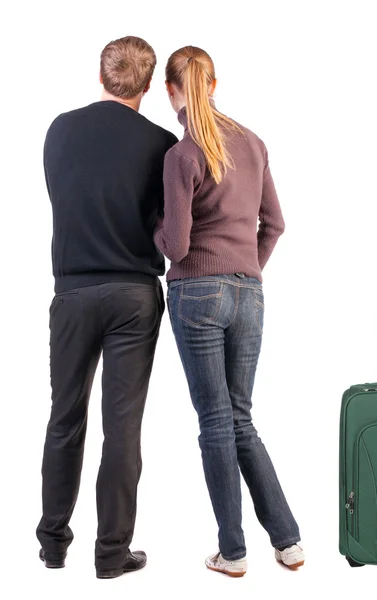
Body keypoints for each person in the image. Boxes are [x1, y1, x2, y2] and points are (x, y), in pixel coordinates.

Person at [154, 46, 304, 577]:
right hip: (250, 294)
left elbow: (174, 245)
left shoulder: (183, 154)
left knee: (217, 420)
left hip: (197, 292)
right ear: (213, 84)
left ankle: (233, 551)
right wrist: (247, 271)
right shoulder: (254, 142)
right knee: (241, 418)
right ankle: (287, 541)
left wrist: (151, 229)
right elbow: (276, 224)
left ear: (171, 91)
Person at [36, 36, 178, 579]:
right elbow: (167, 224)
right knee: (122, 427)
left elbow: (61, 195)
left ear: (101, 75)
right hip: (133, 295)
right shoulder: (162, 143)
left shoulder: (59, 129)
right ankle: (112, 553)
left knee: (64, 418)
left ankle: (52, 545)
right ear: (147, 87)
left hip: (71, 290)